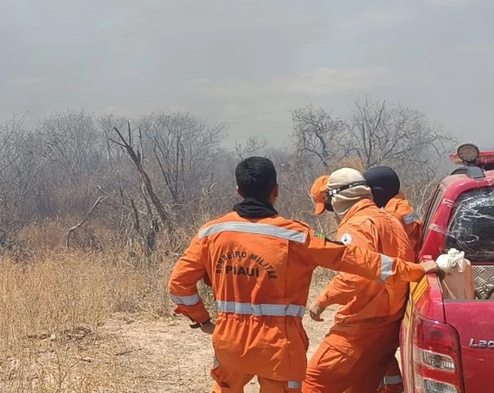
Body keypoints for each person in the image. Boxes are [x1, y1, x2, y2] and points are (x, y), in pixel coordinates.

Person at [168, 157, 440, 393]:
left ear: (238, 190)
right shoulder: (298, 235)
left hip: (229, 342)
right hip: (278, 348)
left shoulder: (210, 232)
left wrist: (202, 320)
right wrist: (414, 270)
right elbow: (358, 260)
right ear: (275, 191)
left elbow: (179, 285)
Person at [304, 168, 413, 393]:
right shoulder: (391, 221)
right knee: (362, 386)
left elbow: (355, 275)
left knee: (314, 382)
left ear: (337, 198)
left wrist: (322, 301)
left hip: (362, 323)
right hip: (389, 321)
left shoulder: (356, 225)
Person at [363, 166, 422, 257]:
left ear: (378, 193)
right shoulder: (402, 206)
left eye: (367, 193)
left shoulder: (392, 217)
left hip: (403, 265)